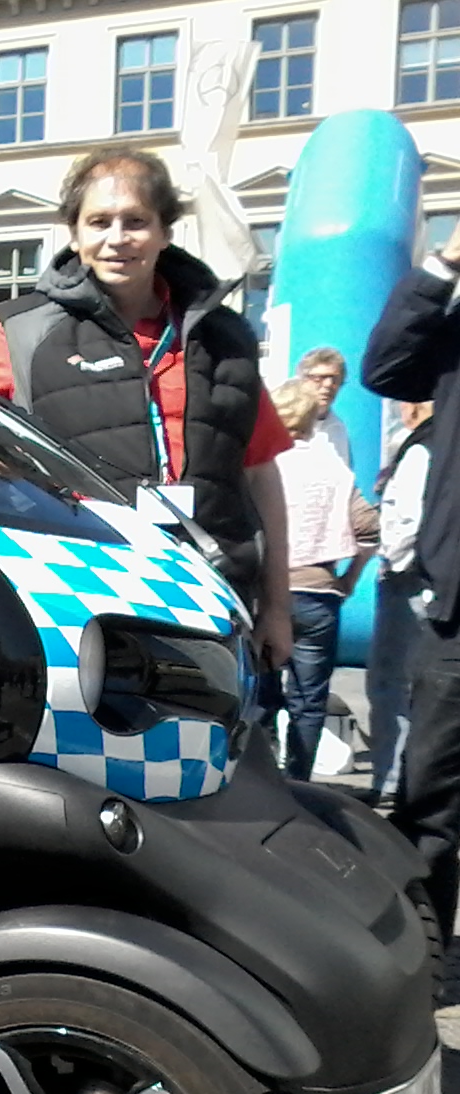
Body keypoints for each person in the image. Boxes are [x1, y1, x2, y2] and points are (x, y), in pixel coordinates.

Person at [0, 146, 295, 670]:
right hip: (86, 600)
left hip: (217, 597)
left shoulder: (225, 337)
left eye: (136, 221)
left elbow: (263, 477)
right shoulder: (21, 330)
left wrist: (278, 608)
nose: (117, 238)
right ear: (75, 235)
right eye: (99, 222)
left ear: (165, 232)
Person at [362, 219, 460, 938]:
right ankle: (425, 961)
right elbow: (388, 368)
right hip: (458, 615)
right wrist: (444, 265)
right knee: (431, 805)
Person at [269, 378, 377, 781]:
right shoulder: (332, 467)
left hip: (267, 594)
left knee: (260, 695)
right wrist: (350, 578)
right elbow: (370, 530)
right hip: (318, 593)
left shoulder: (262, 465)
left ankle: (259, 780)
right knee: (309, 702)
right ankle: (298, 784)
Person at [367, 399, 435, 799]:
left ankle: (391, 780)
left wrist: (393, 563)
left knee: (391, 682)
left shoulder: (419, 449)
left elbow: (408, 518)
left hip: (406, 579)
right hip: (427, 577)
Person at [296, 346, 353, 468]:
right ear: (303, 380)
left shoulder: (338, 428)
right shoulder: (285, 423)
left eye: (335, 379)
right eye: (319, 378)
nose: (328, 384)